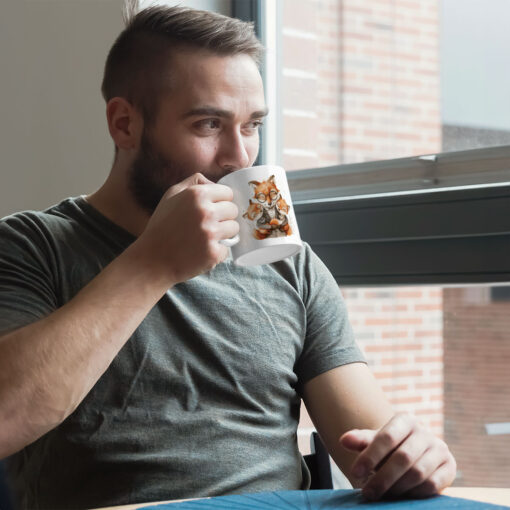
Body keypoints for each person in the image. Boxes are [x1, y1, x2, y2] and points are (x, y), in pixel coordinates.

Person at [0, 5, 456, 510]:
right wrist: (152, 264)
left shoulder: (292, 266)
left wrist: (410, 458)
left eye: (252, 124)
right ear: (125, 124)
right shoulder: (30, 246)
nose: (240, 156)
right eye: (208, 124)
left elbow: (369, 452)